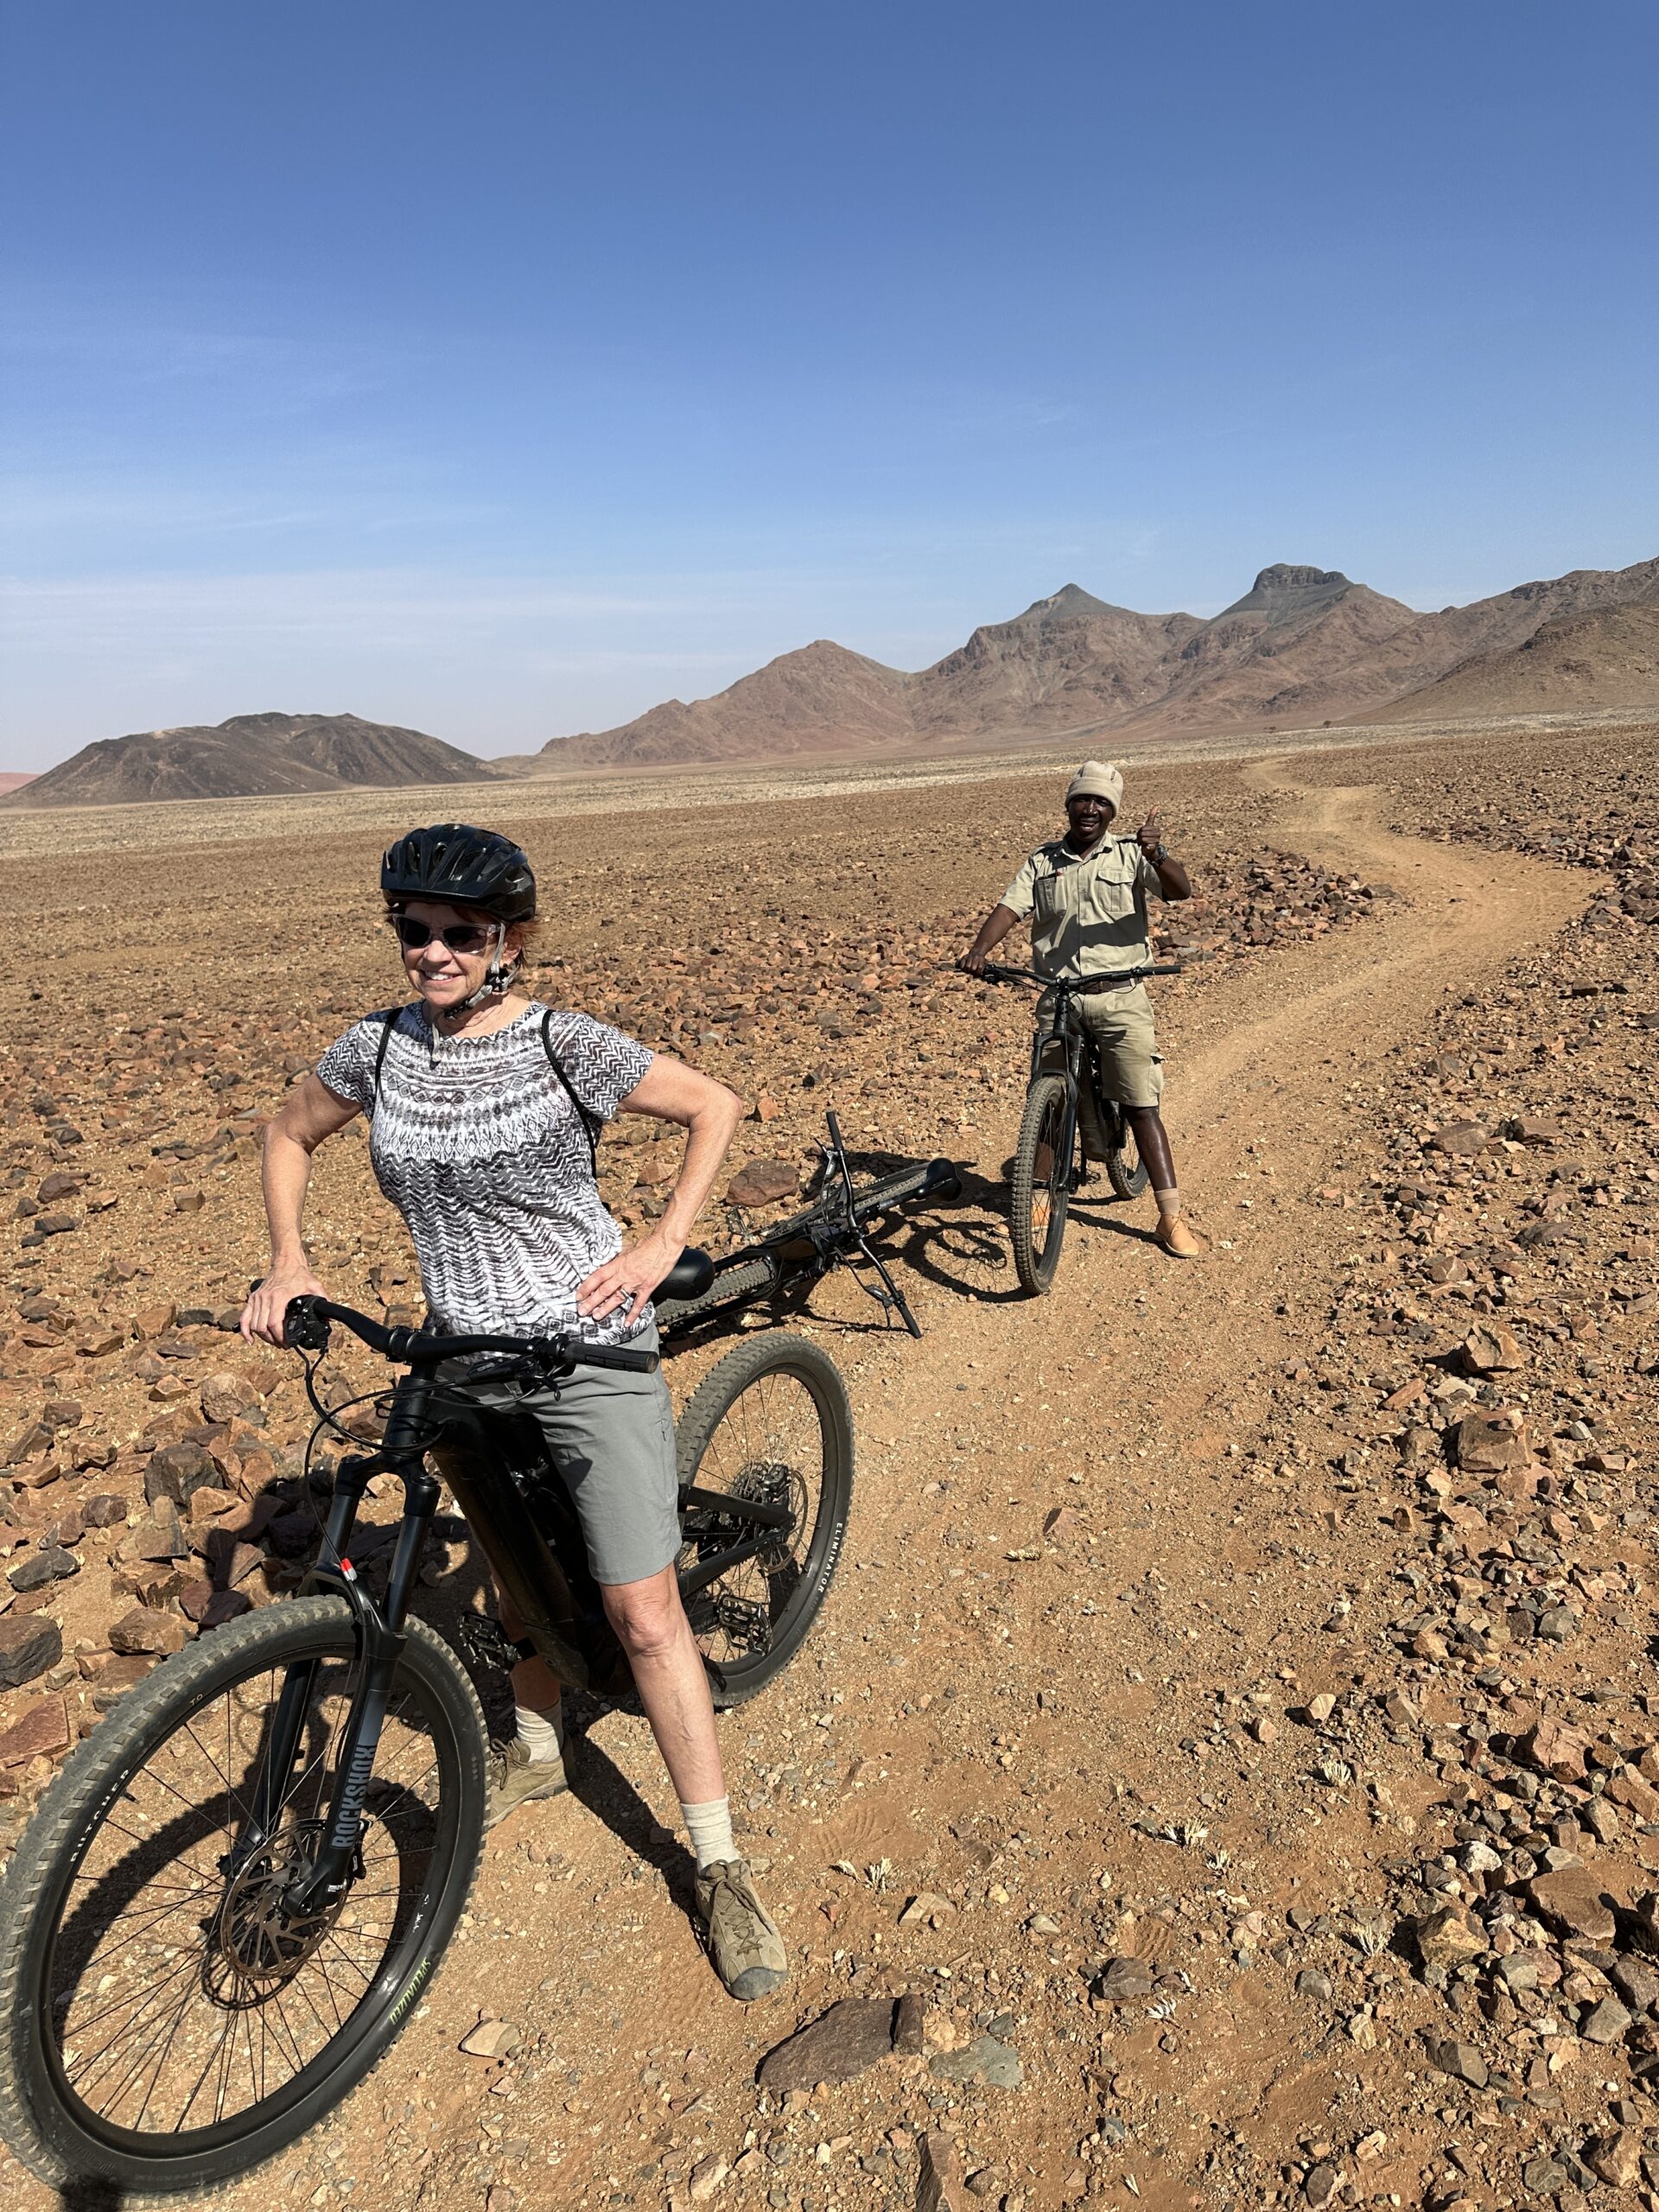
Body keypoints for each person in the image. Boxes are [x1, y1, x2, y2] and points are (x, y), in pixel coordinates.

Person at [241, 822, 789, 2001]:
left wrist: (662, 1241)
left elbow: (715, 1106)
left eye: (462, 932)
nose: (434, 951)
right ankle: (540, 1747)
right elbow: (286, 1133)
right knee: (505, 1572)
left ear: (510, 941)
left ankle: (720, 1863)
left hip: (584, 1348)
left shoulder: (561, 1042)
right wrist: (289, 1260)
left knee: (643, 1616)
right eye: (415, 929)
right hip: (460, 1354)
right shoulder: (376, 1049)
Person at [958, 762, 1205, 1260]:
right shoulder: (1042, 862)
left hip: (1120, 996)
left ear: (1112, 811)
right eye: (1082, 800)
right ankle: (1040, 1201)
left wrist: (1158, 854)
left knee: (1140, 1104)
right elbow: (1010, 907)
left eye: (1101, 803)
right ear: (1069, 804)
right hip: (1060, 994)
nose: (1090, 809)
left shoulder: (1132, 854)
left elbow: (1181, 891)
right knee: (1047, 1098)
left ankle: (1170, 1215)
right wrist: (979, 950)